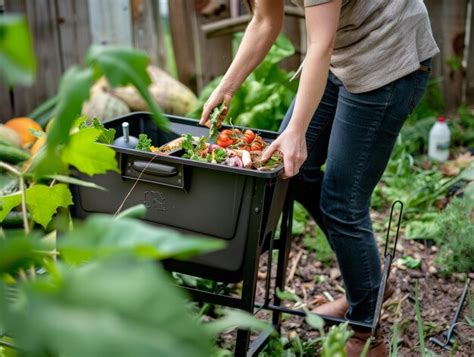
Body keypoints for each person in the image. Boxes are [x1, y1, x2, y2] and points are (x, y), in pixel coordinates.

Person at [200, 0, 439, 355]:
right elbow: (265, 21)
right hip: (340, 51)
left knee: (342, 199)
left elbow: (319, 45)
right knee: (292, 173)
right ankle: (370, 284)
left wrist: (297, 131)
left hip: (389, 53)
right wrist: (228, 85)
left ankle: (365, 332)